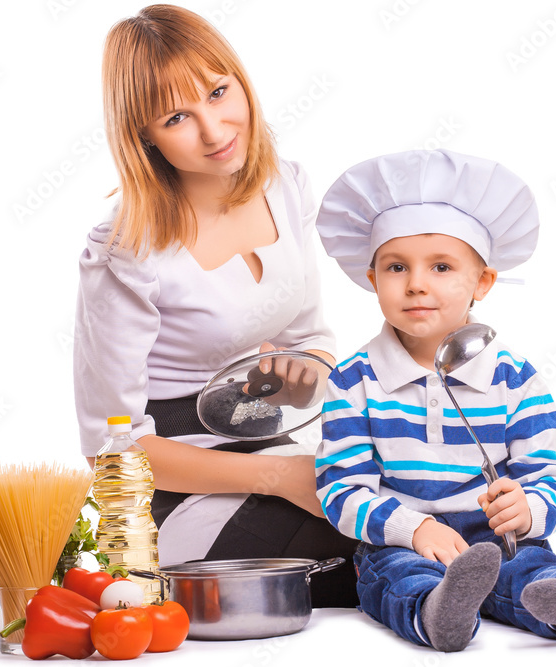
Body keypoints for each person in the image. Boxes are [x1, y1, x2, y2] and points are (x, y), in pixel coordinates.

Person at [73, 4, 357, 607]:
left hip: (268, 440)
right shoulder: (127, 250)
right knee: (355, 553)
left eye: (219, 92)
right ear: (142, 135)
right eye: (177, 116)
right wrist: (278, 478)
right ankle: (449, 604)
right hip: (175, 484)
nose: (215, 129)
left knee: (414, 504)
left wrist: (305, 370)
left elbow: (311, 337)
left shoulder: (286, 185)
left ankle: (536, 586)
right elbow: (112, 451)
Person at [313, 149, 556, 648]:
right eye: (395, 267)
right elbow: (341, 491)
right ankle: (437, 610)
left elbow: (547, 476)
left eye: (441, 266)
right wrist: (415, 530)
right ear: (372, 280)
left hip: (498, 536)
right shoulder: (353, 381)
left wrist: (527, 508)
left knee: (532, 565)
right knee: (394, 577)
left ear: (483, 282)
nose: (415, 284)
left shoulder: (515, 379)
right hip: (402, 539)